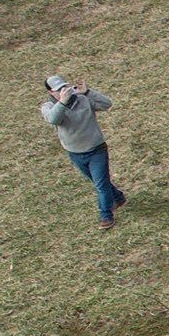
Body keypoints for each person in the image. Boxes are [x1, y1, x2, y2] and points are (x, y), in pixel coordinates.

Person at [41, 74, 126, 228]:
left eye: (64, 87)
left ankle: (106, 216)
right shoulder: (49, 107)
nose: (63, 91)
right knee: (99, 181)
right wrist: (62, 102)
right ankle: (118, 197)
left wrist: (88, 92)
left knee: (100, 185)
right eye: (58, 90)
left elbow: (107, 104)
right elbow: (53, 119)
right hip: (75, 153)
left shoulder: (83, 99)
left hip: (96, 149)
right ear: (51, 93)